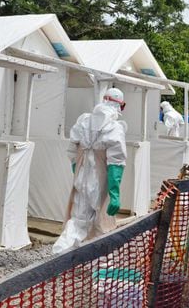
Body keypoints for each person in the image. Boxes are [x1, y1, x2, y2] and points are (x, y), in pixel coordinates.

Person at [52, 88, 127, 254]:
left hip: (81, 176)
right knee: (101, 222)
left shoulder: (84, 121)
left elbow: (72, 151)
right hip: (99, 180)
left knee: (78, 219)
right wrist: (114, 193)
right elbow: (116, 162)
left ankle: (59, 255)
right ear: (119, 105)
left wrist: (77, 172)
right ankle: (100, 264)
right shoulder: (114, 127)